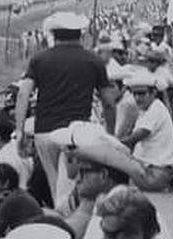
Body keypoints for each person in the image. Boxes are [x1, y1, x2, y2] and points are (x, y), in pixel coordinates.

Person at [14, 12, 115, 206]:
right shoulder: (94, 60)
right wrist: (111, 132)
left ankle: (62, 222)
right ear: (80, 34)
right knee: (73, 184)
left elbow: (23, 94)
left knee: (55, 184)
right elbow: (109, 102)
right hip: (76, 134)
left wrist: (20, 131)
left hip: (45, 131)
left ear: (53, 34)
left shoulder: (39, 59)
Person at [118, 70, 173, 191]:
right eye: (134, 94)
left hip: (155, 174)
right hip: (154, 171)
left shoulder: (155, 109)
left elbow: (132, 139)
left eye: (141, 94)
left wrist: (111, 141)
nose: (137, 98)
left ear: (153, 93)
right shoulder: (148, 109)